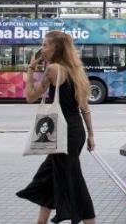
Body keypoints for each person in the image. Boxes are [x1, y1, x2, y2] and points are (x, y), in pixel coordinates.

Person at [16, 30, 96, 224]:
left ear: (55, 47)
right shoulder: (75, 70)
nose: (42, 49)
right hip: (75, 132)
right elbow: (84, 107)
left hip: (63, 135)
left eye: (45, 45)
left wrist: (30, 69)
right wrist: (91, 134)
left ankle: (90, 221)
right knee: (49, 176)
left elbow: (30, 97)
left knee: (74, 180)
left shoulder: (53, 69)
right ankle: (40, 221)